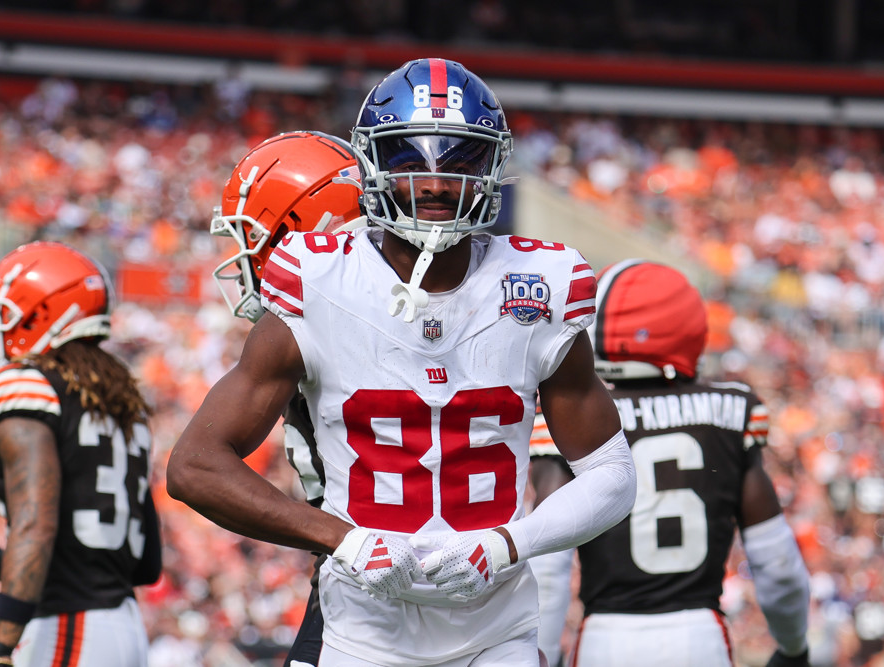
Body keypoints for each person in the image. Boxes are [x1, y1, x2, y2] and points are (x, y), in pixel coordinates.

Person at [167, 57, 636, 667]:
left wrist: (505, 545)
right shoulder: (317, 276)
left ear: (493, 169)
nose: (436, 184)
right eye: (409, 160)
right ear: (370, 166)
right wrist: (350, 543)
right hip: (362, 633)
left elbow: (612, 474)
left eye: (460, 161)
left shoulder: (538, 284)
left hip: (497, 635)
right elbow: (195, 466)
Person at [529, 259, 811, 667]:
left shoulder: (572, 420)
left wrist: (544, 655)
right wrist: (793, 647)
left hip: (607, 642)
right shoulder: (730, 411)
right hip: (700, 640)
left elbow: (548, 566)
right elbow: (778, 563)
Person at [0, 241, 162, 667]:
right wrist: (7, 564)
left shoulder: (26, 387)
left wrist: (0, 650)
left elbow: (36, 522)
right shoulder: (122, 402)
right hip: (126, 628)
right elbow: (145, 566)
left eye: (5, 313)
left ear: (43, 314)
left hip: (67, 625)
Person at [209, 128, 364, 667]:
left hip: (361, 594)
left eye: (253, 236)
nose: (244, 257)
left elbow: (194, 467)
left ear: (307, 230)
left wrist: (342, 538)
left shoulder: (302, 332)